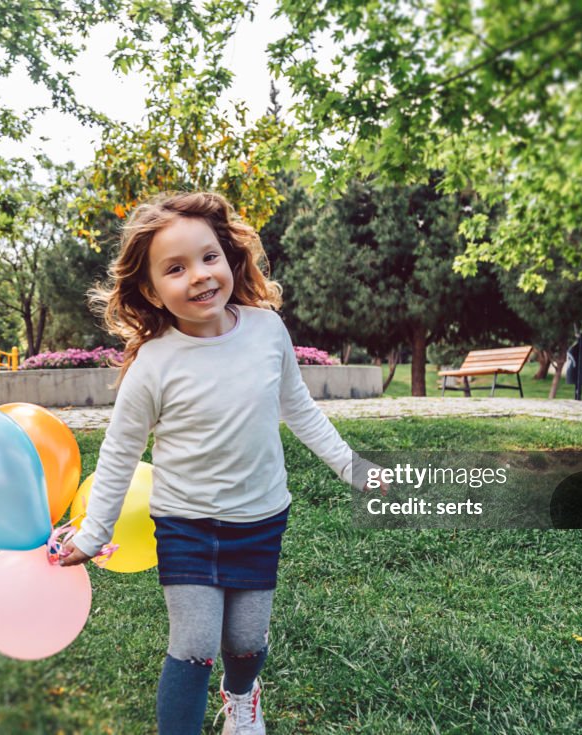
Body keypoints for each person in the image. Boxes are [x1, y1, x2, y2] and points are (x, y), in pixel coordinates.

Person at [59, 191, 373, 735]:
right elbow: (118, 454)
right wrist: (93, 533)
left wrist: (351, 466)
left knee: (247, 642)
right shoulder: (152, 366)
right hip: (187, 523)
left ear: (229, 256)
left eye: (209, 257)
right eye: (175, 268)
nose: (199, 276)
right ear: (151, 289)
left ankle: (242, 696)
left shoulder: (266, 330)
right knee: (194, 646)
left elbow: (298, 407)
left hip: (261, 516)